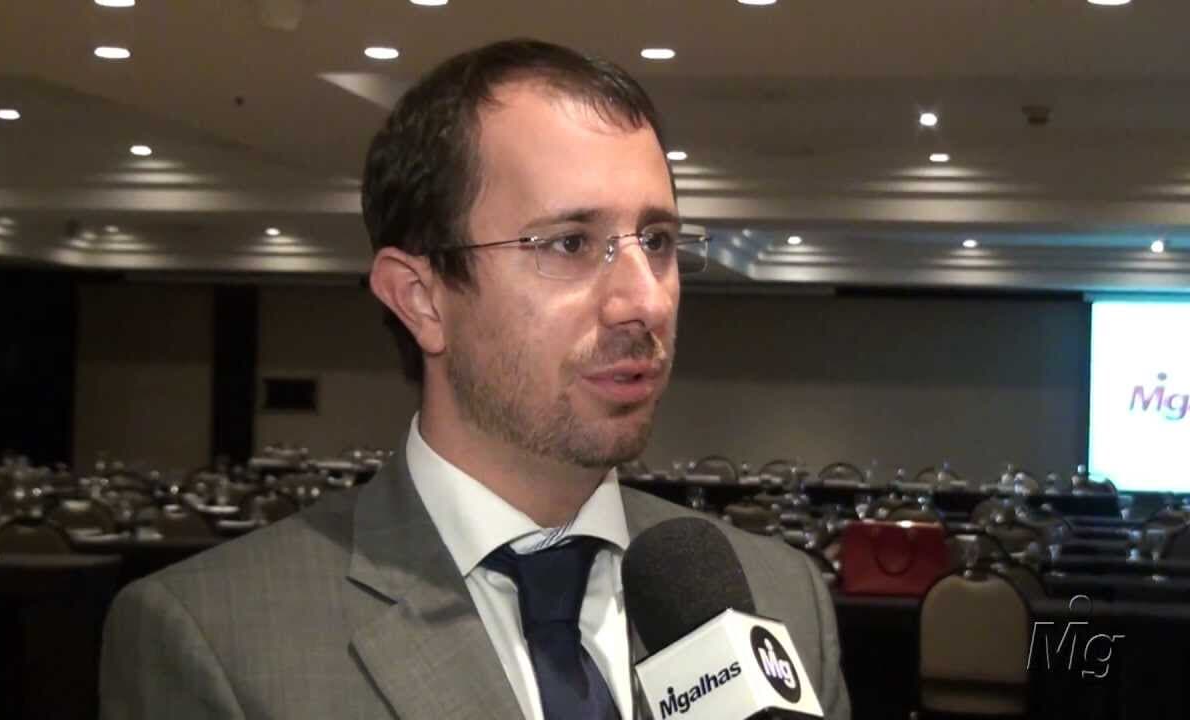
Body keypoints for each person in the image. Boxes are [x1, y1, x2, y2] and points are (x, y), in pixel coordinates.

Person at [99, 38, 850, 720]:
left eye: (656, 240)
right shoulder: (217, 640)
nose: (646, 300)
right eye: (569, 243)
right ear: (421, 299)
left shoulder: (780, 600)